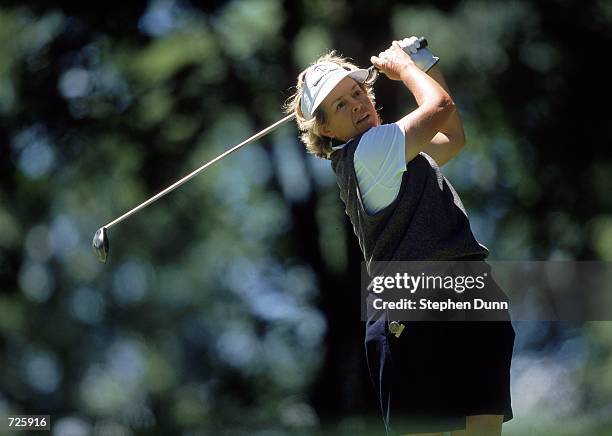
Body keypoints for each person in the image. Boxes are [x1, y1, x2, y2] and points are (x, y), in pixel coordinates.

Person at [285, 37, 515, 436]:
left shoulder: (397, 153)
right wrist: (406, 69)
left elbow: (452, 136)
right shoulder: (367, 152)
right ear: (323, 129)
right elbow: (439, 107)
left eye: (357, 92)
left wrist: (424, 62)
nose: (358, 104)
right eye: (341, 104)